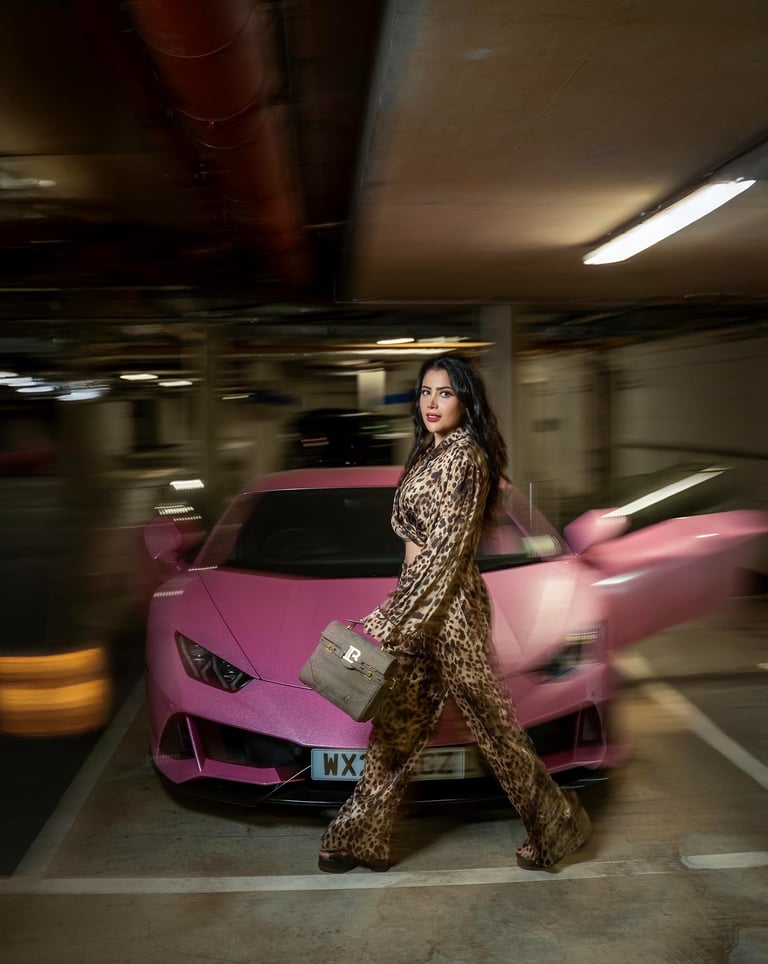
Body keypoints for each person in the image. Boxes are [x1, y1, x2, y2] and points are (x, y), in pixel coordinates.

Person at [318, 353, 591, 873]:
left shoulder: (468, 459)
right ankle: (359, 838)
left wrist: (389, 618)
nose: (431, 402)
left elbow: (446, 555)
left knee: (496, 732)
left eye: (444, 392)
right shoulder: (426, 454)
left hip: (453, 613)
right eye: (425, 392)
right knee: (397, 727)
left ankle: (557, 827)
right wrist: (400, 610)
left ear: (466, 400)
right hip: (416, 607)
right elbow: (414, 548)